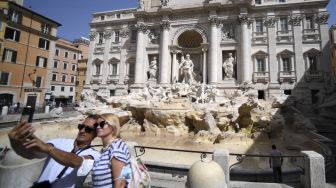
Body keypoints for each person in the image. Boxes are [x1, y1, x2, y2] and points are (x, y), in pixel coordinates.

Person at [8, 114, 101, 188]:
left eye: (88, 129)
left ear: (96, 134)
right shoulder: (58, 142)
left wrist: (49, 149)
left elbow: (77, 162)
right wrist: (15, 143)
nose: (82, 131)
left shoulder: (95, 155)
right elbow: (33, 154)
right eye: (81, 127)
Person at [92, 113, 131, 188]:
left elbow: (121, 183)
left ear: (113, 126)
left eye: (102, 124)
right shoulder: (105, 149)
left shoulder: (116, 147)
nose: (98, 127)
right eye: (96, 125)